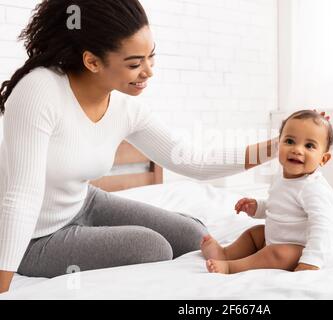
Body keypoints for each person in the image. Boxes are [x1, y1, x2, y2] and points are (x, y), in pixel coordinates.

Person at [0, 0, 278, 293]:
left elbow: (193, 161)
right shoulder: (39, 90)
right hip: (33, 236)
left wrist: (274, 148)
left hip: (82, 203)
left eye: (151, 58)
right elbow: (21, 197)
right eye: (134, 63)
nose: (148, 71)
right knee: (151, 247)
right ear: (92, 61)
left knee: (194, 235)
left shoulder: (125, 109)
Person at [201, 110, 333, 274]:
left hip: (298, 250)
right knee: (255, 233)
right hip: (274, 240)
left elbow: (322, 226)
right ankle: (225, 254)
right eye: (290, 141)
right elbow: (279, 207)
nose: (297, 149)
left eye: (309, 145)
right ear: (278, 145)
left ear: (323, 159)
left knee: (275, 253)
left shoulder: (313, 188)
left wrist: (312, 261)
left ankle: (231, 267)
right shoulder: (282, 178)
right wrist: (257, 207)